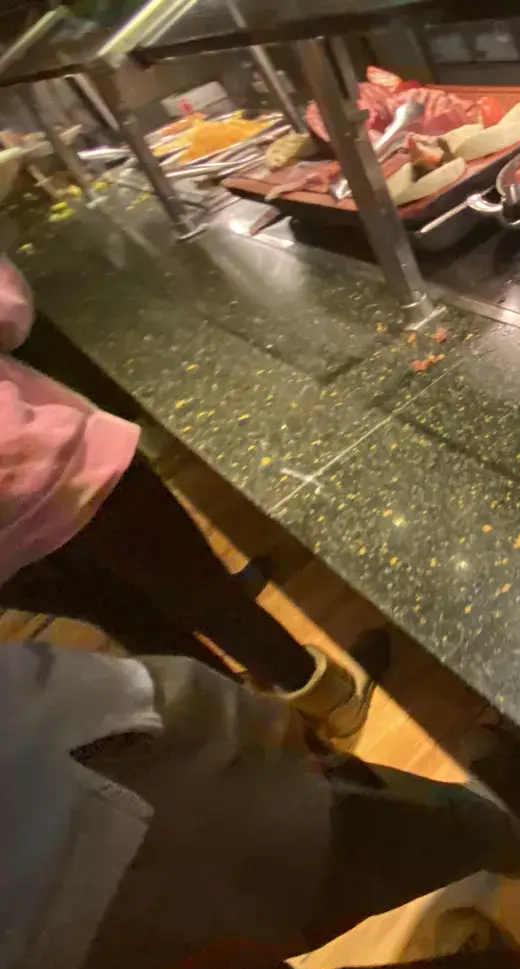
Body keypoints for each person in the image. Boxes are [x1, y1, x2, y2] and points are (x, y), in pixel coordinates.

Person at [1, 641, 520, 969]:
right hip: (180, 831)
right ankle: (508, 837)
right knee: (387, 833)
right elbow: (145, 702)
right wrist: (281, 733)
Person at [0, 248, 370, 743]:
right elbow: (9, 309)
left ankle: (270, 746)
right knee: (208, 597)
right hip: (53, 464)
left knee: (138, 627)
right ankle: (332, 704)